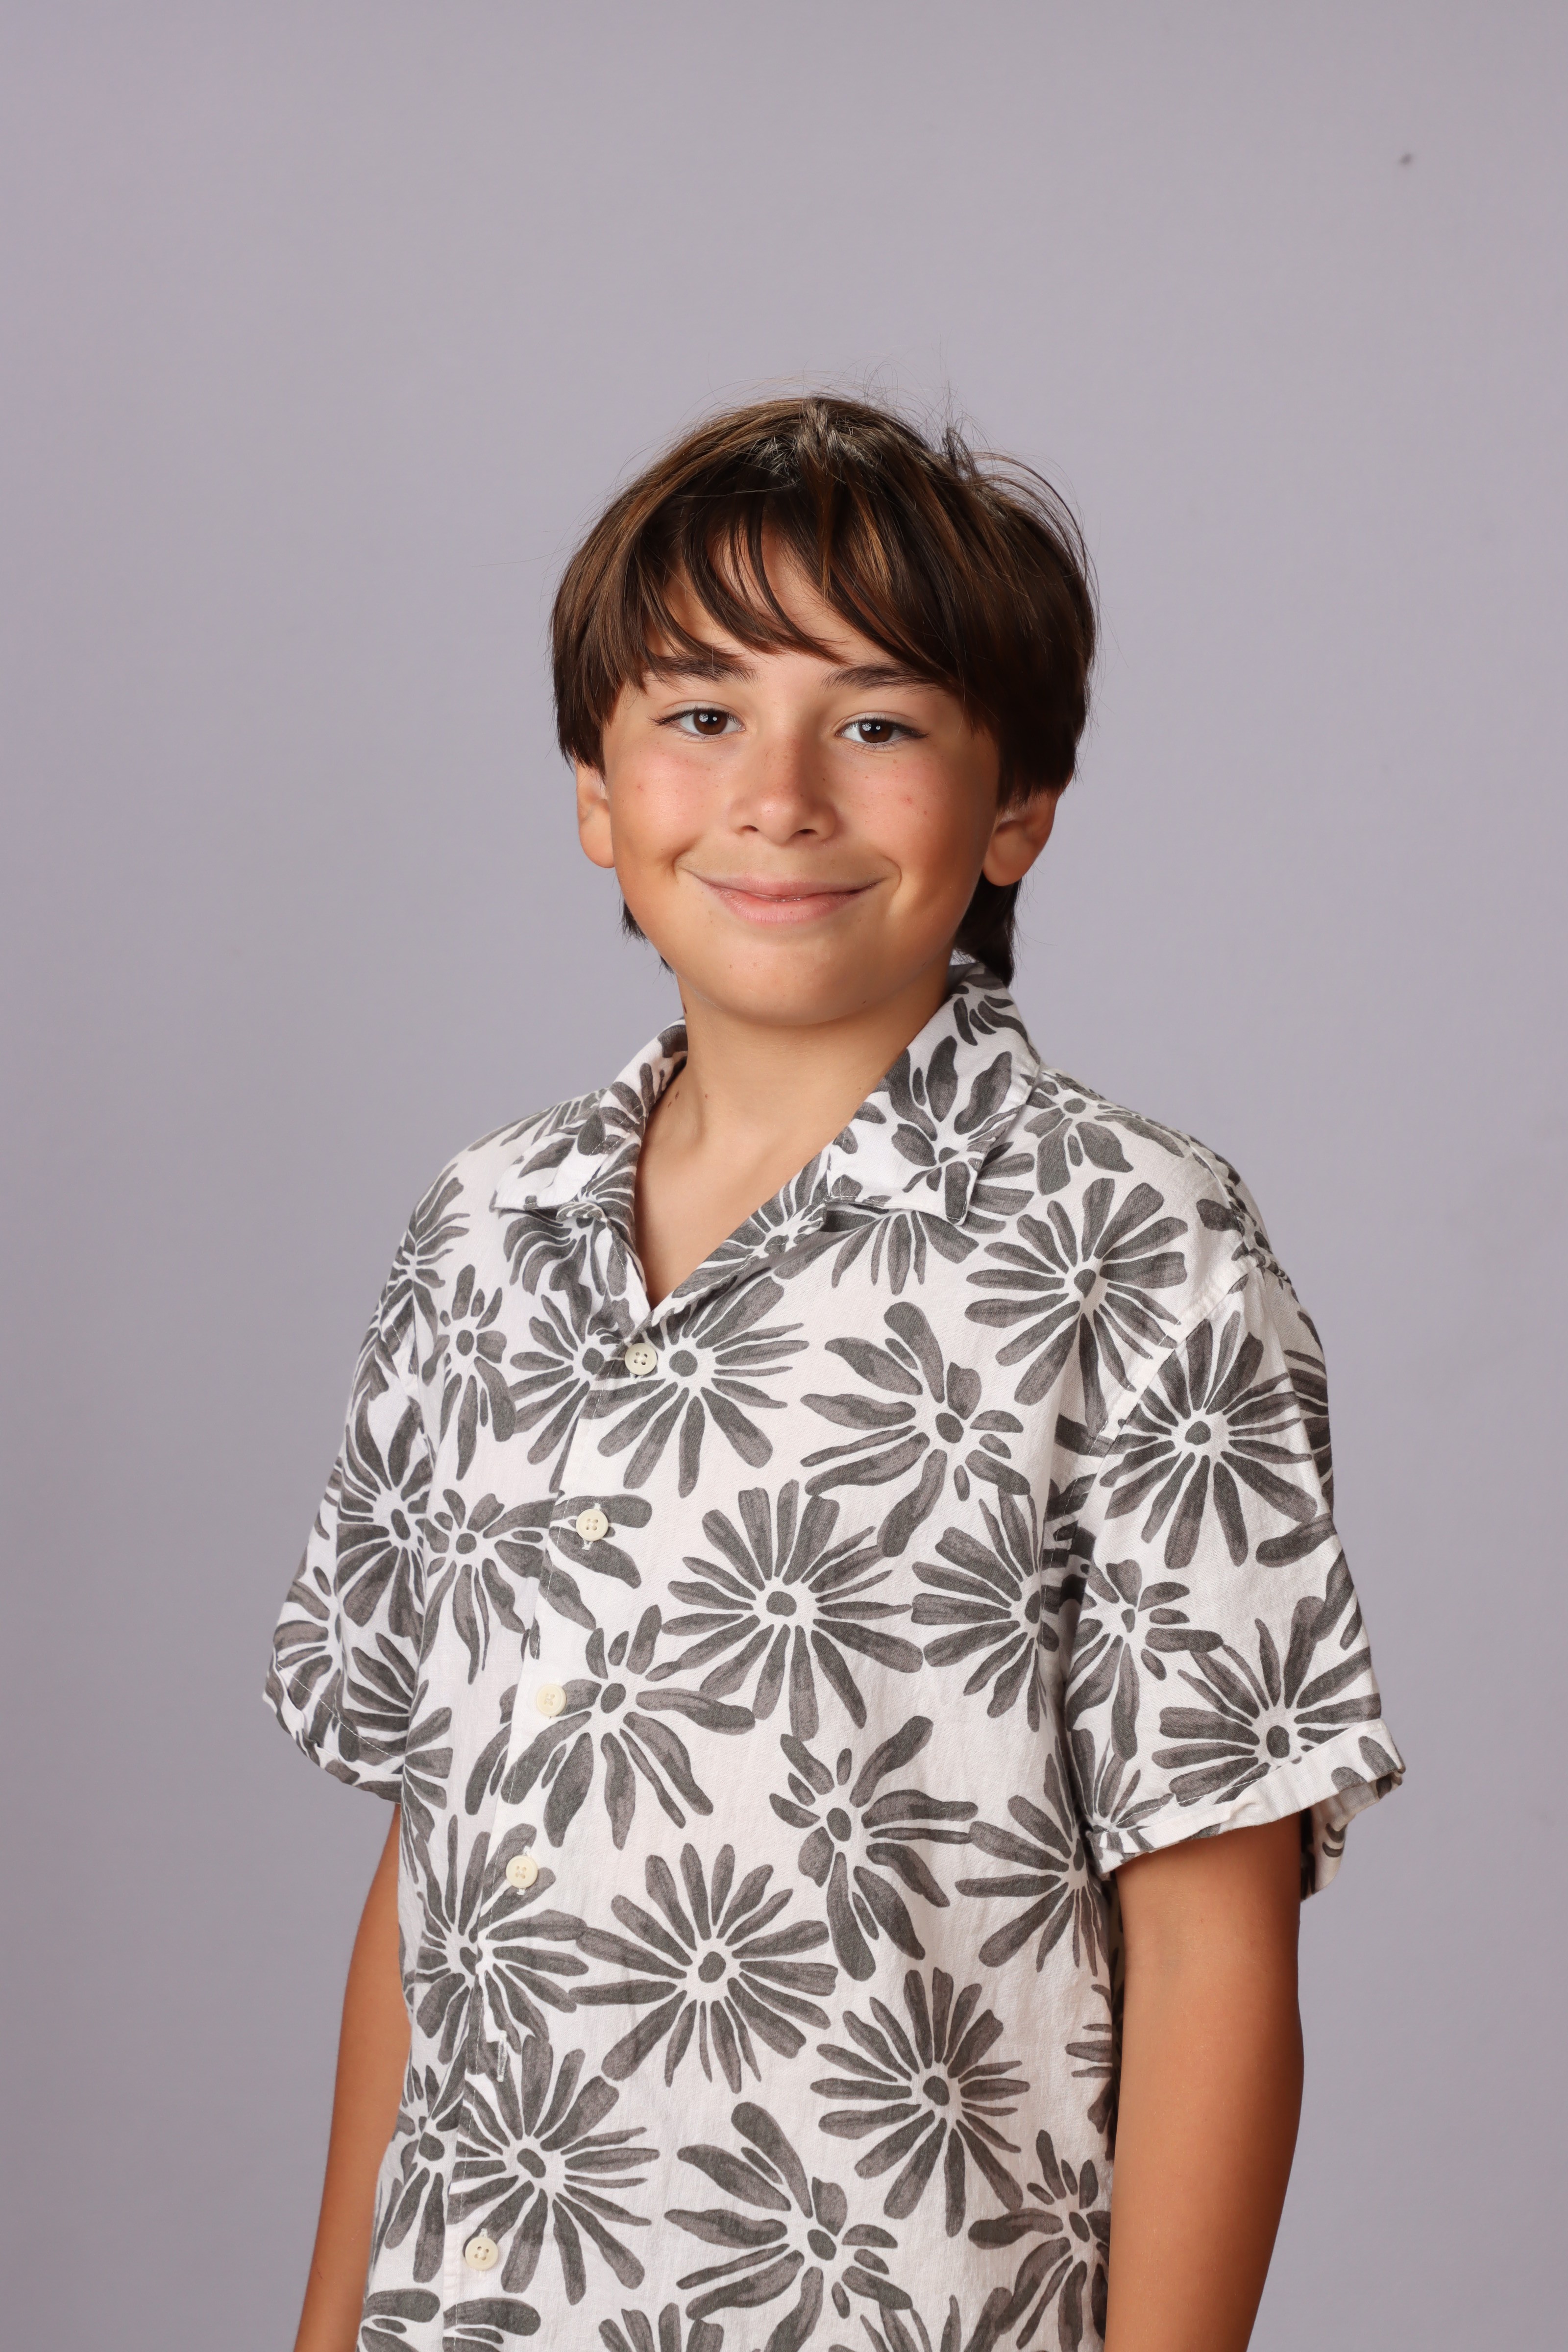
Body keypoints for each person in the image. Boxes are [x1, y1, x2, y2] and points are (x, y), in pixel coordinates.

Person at [267, 393, 1402, 2352]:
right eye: (701, 714)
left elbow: (1213, 1941)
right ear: (595, 794)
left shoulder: (1134, 1246)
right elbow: (433, 1878)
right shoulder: (481, 1234)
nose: (779, 796)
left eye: (875, 726)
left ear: (1016, 807)